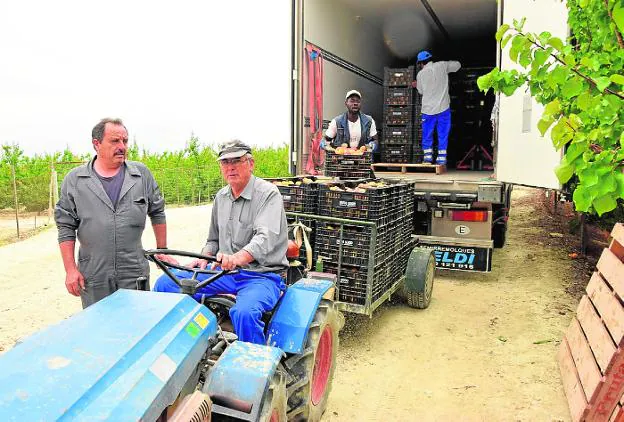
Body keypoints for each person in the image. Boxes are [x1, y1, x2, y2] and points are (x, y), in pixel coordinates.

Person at [153, 140, 288, 345]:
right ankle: (190, 344)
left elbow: (264, 239)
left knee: (244, 313)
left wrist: (236, 258)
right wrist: (204, 258)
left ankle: (253, 367)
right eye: (225, 162)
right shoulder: (221, 197)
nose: (230, 167)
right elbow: (213, 240)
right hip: (225, 273)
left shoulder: (268, 194)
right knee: (165, 284)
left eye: (237, 161)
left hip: (261, 275)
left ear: (250, 163)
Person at [55, 117, 170, 308]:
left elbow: (157, 211)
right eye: (115, 141)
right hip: (94, 272)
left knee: (137, 324)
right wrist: (70, 270)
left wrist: (162, 249)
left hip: (133, 270)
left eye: (125, 141)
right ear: (96, 144)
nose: (122, 146)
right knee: (99, 326)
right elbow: (65, 226)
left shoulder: (141, 175)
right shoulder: (75, 180)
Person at [411, 50, 461, 165]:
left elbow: (421, 91)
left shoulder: (421, 74)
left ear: (420, 63)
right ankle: (441, 159)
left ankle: (428, 158)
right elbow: (458, 65)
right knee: (443, 133)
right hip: (443, 108)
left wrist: (417, 84)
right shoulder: (442, 65)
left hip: (428, 110)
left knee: (427, 133)